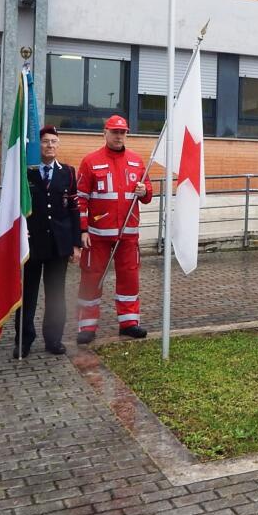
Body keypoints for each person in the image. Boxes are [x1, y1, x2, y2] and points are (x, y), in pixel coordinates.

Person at [75, 114, 154, 343]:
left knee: (129, 278)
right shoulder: (90, 161)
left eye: (122, 132)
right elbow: (80, 198)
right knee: (91, 279)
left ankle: (129, 323)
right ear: (105, 133)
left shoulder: (137, 162)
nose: (119, 136)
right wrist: (82, 230)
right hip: (97, 236)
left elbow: (148, 193)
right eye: (114, 132)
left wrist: (144, 191)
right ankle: (87, 326)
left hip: (128, 236)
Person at [13, 126, 82, 358]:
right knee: (28, 295)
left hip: (58, 245)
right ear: (38, 145)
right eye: (45, 142)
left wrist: (76, 245)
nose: (50, 145)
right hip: (32, 244)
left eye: (53, 141)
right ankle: (23, 340)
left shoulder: (68, 173)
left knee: (56, 294)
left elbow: (73, 209)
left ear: (58, 145)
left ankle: (53, 339)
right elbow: (18, 208)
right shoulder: (27, 173)